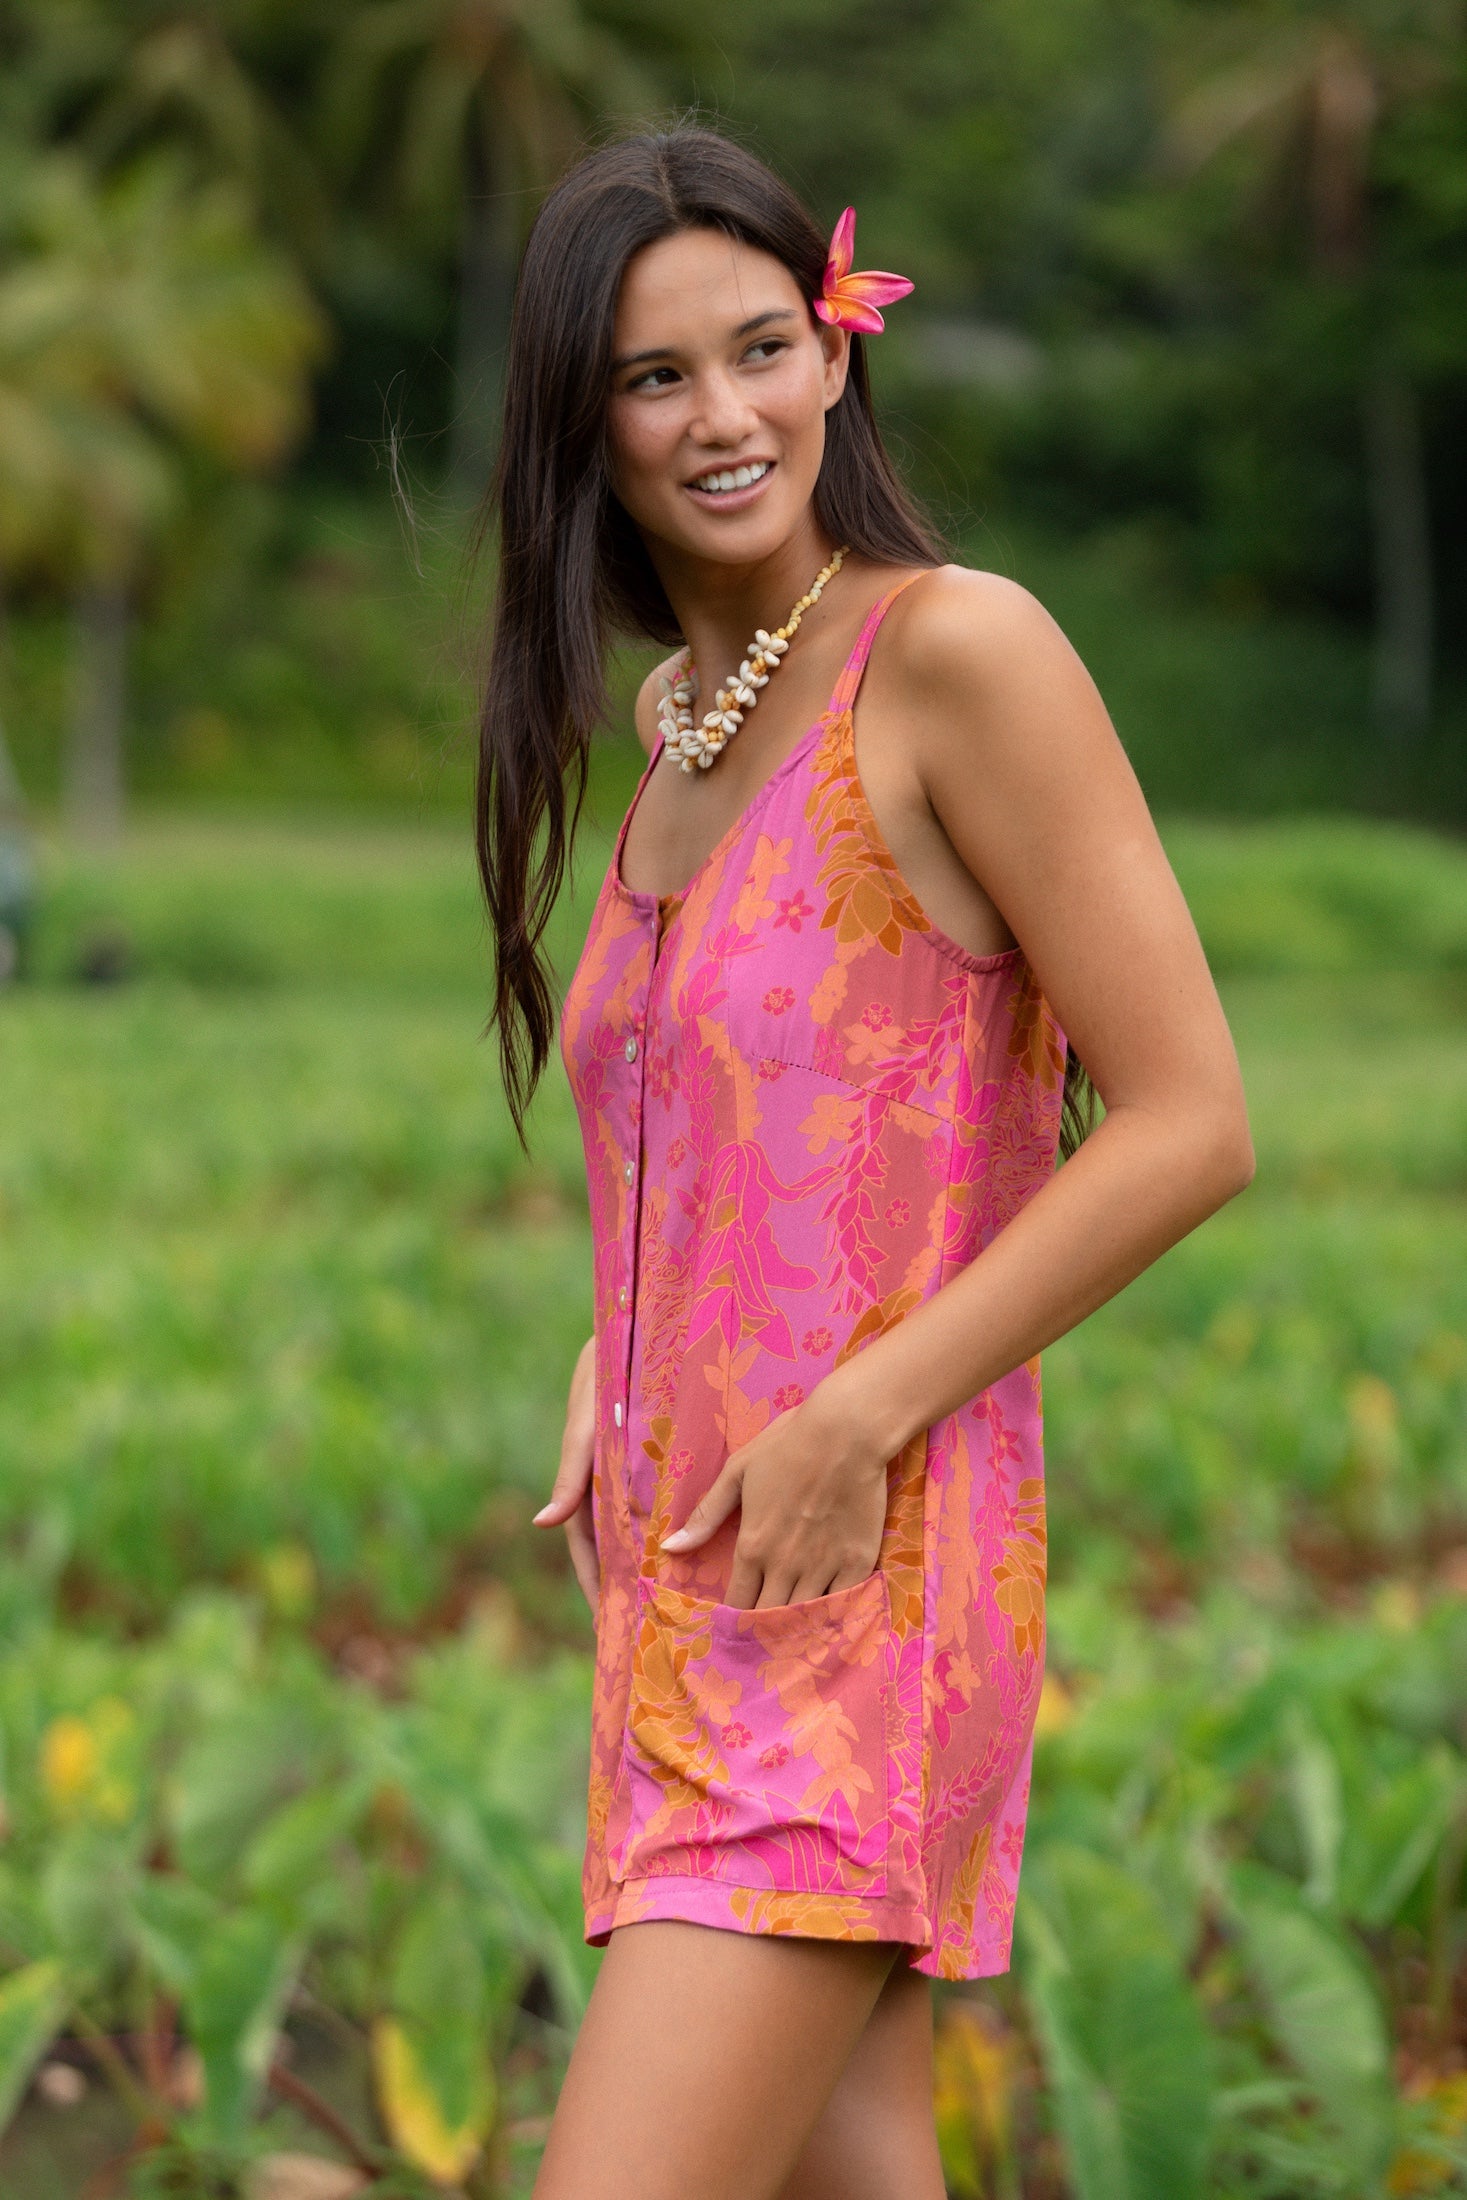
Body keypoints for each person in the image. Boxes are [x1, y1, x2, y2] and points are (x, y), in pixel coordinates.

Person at [474, 126, 1254, 2200]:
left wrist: (856, 1412)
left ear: (836, 350)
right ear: (584, 421)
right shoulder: (676, 723)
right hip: (680, 1594)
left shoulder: (955, 653)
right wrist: (611, 1341)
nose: (723, 414)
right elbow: (728, 1132)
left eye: (757, 348)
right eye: (655, 377)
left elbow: (1191, 1116)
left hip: (852, 1600)